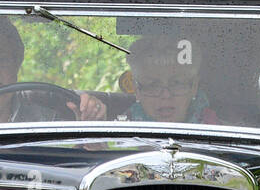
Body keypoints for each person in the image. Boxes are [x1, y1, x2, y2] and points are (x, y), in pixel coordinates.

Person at [74, 34, 218, 124]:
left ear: (194, 87)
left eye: (176, 83)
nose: (166, 96)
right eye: (152, 85)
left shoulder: (218, 133)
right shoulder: (122, 130)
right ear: (137, 90)